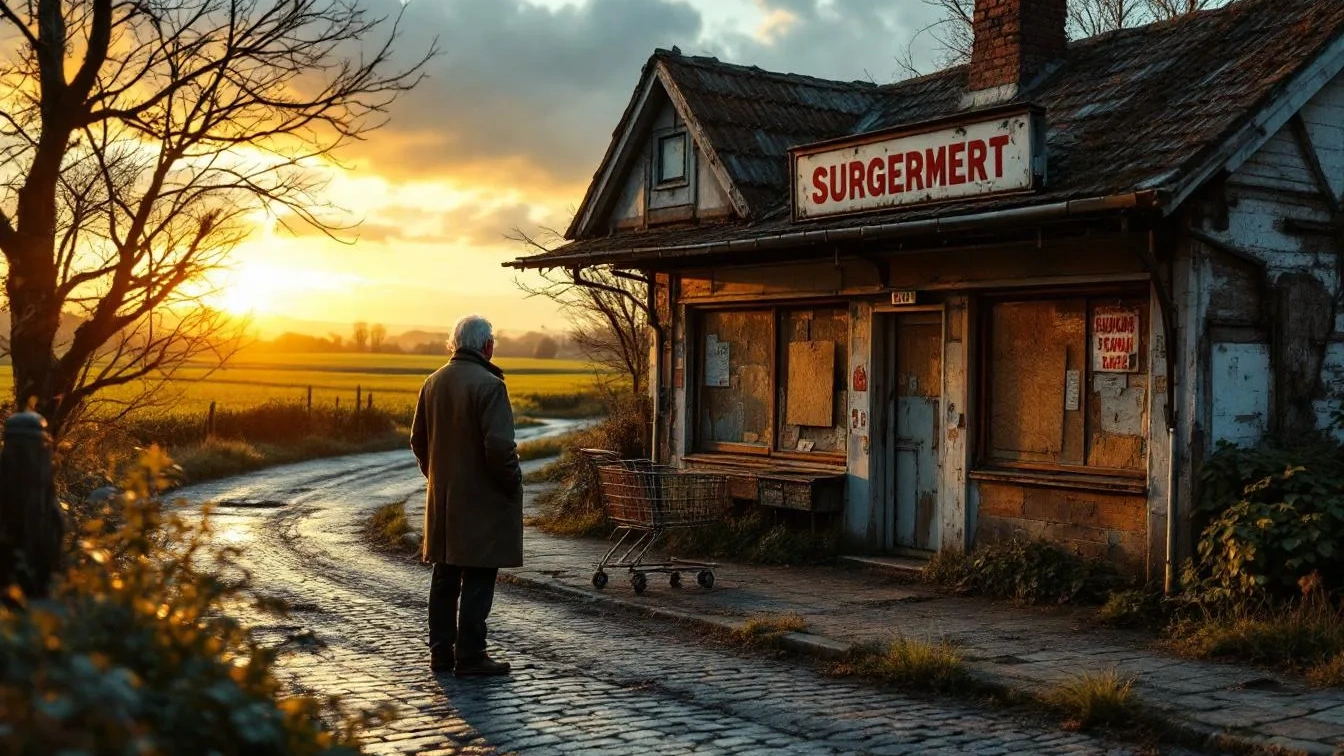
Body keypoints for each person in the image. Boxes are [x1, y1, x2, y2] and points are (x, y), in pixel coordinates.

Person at [411, 314, 522, 677]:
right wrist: (511, 486)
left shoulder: (432, 382)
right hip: (482, 500)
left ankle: (440, 652)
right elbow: (501, 448)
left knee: (445, 575)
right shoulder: (490, 386)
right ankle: (471, 655)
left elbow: (418, 441)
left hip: (443, 501)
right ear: (487, 346)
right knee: (478, 573)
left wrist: (437, 478)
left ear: (454, 345)